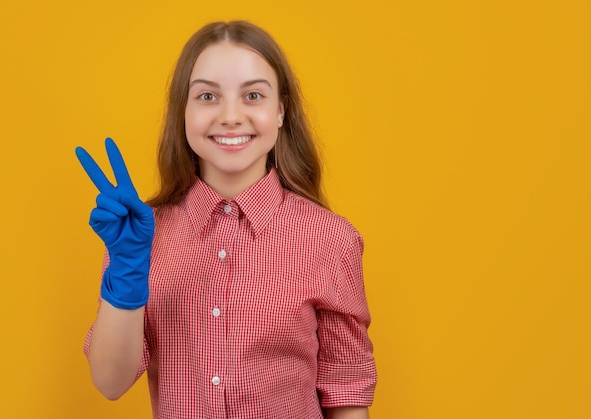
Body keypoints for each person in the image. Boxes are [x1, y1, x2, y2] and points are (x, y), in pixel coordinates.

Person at [76, 20, 376, 419]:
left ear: (281, 110)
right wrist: (128, 270)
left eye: (253, 95)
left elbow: (347, 395)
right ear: (183, 112)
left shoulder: (330, 239)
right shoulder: (138, 235)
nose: (231, 116)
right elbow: (110, 383)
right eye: (207, 96)